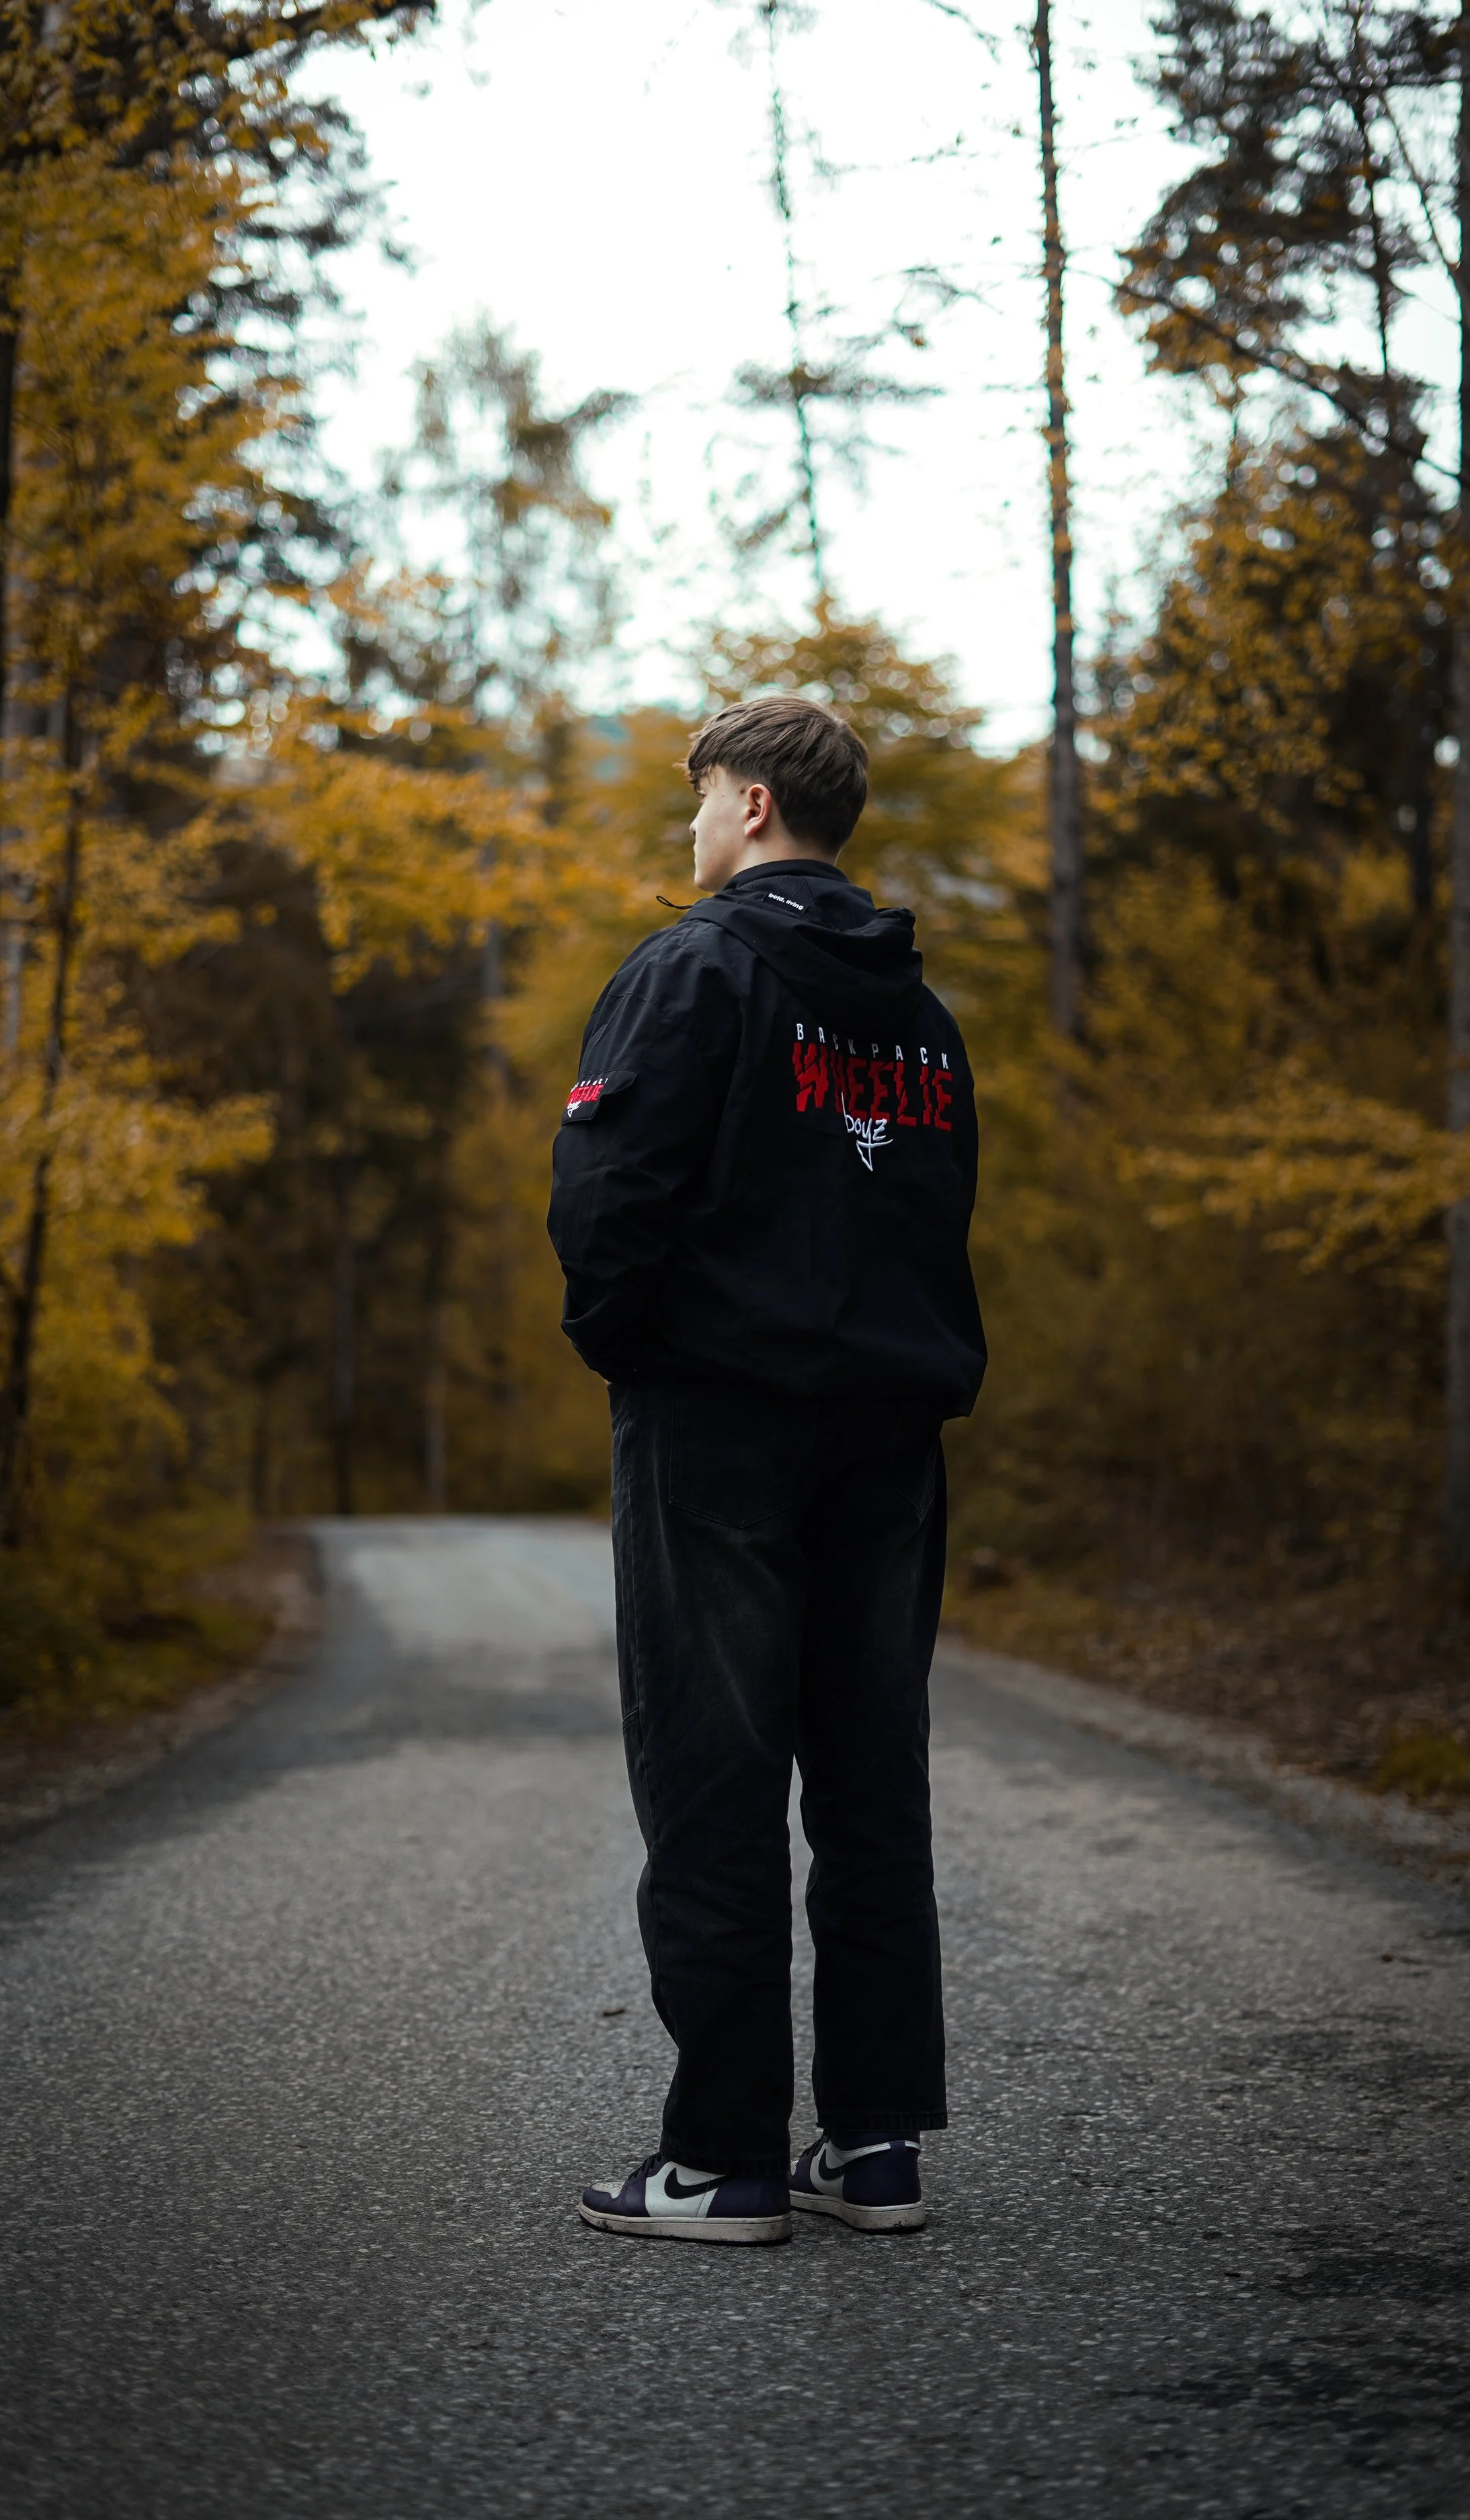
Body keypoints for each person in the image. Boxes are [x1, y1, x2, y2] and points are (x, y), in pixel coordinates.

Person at [547, 693, 985, 2244]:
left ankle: (720, 2162)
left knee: (714, 1777)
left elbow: (607, 1198)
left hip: (718, 1424)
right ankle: (871, 2150)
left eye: (694, 801)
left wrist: (631, 1349)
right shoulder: (916, 1012)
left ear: (742, 806)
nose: (689, 828)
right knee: (870, 1781)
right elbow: (937, 1215)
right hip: (890, 1431)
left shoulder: (691, 970)